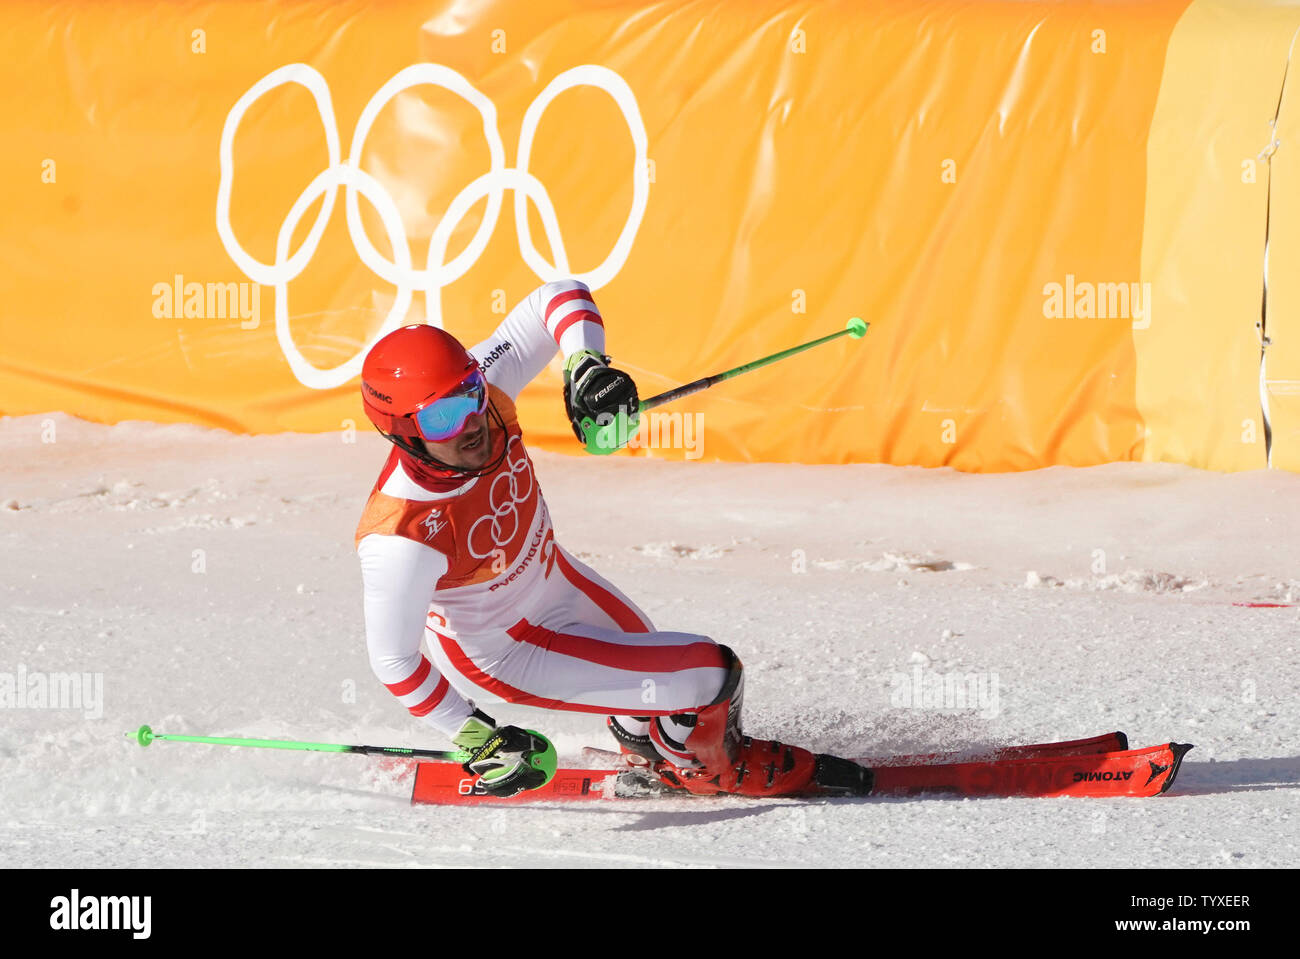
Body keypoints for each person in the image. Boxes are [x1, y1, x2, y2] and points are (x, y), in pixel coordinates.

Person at [355, 280, 870, 798]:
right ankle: (712, 768)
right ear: (401, 431)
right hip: (508, 650)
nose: (470, 422)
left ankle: (649, 744)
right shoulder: (402, 532)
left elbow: (556, 296)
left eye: (470, 391)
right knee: (711, 676)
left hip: (553, 580)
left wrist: (586, 368)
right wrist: (478, 738)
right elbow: (394, 661)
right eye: (442, 417)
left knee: (649, 669)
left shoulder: (486, 393)